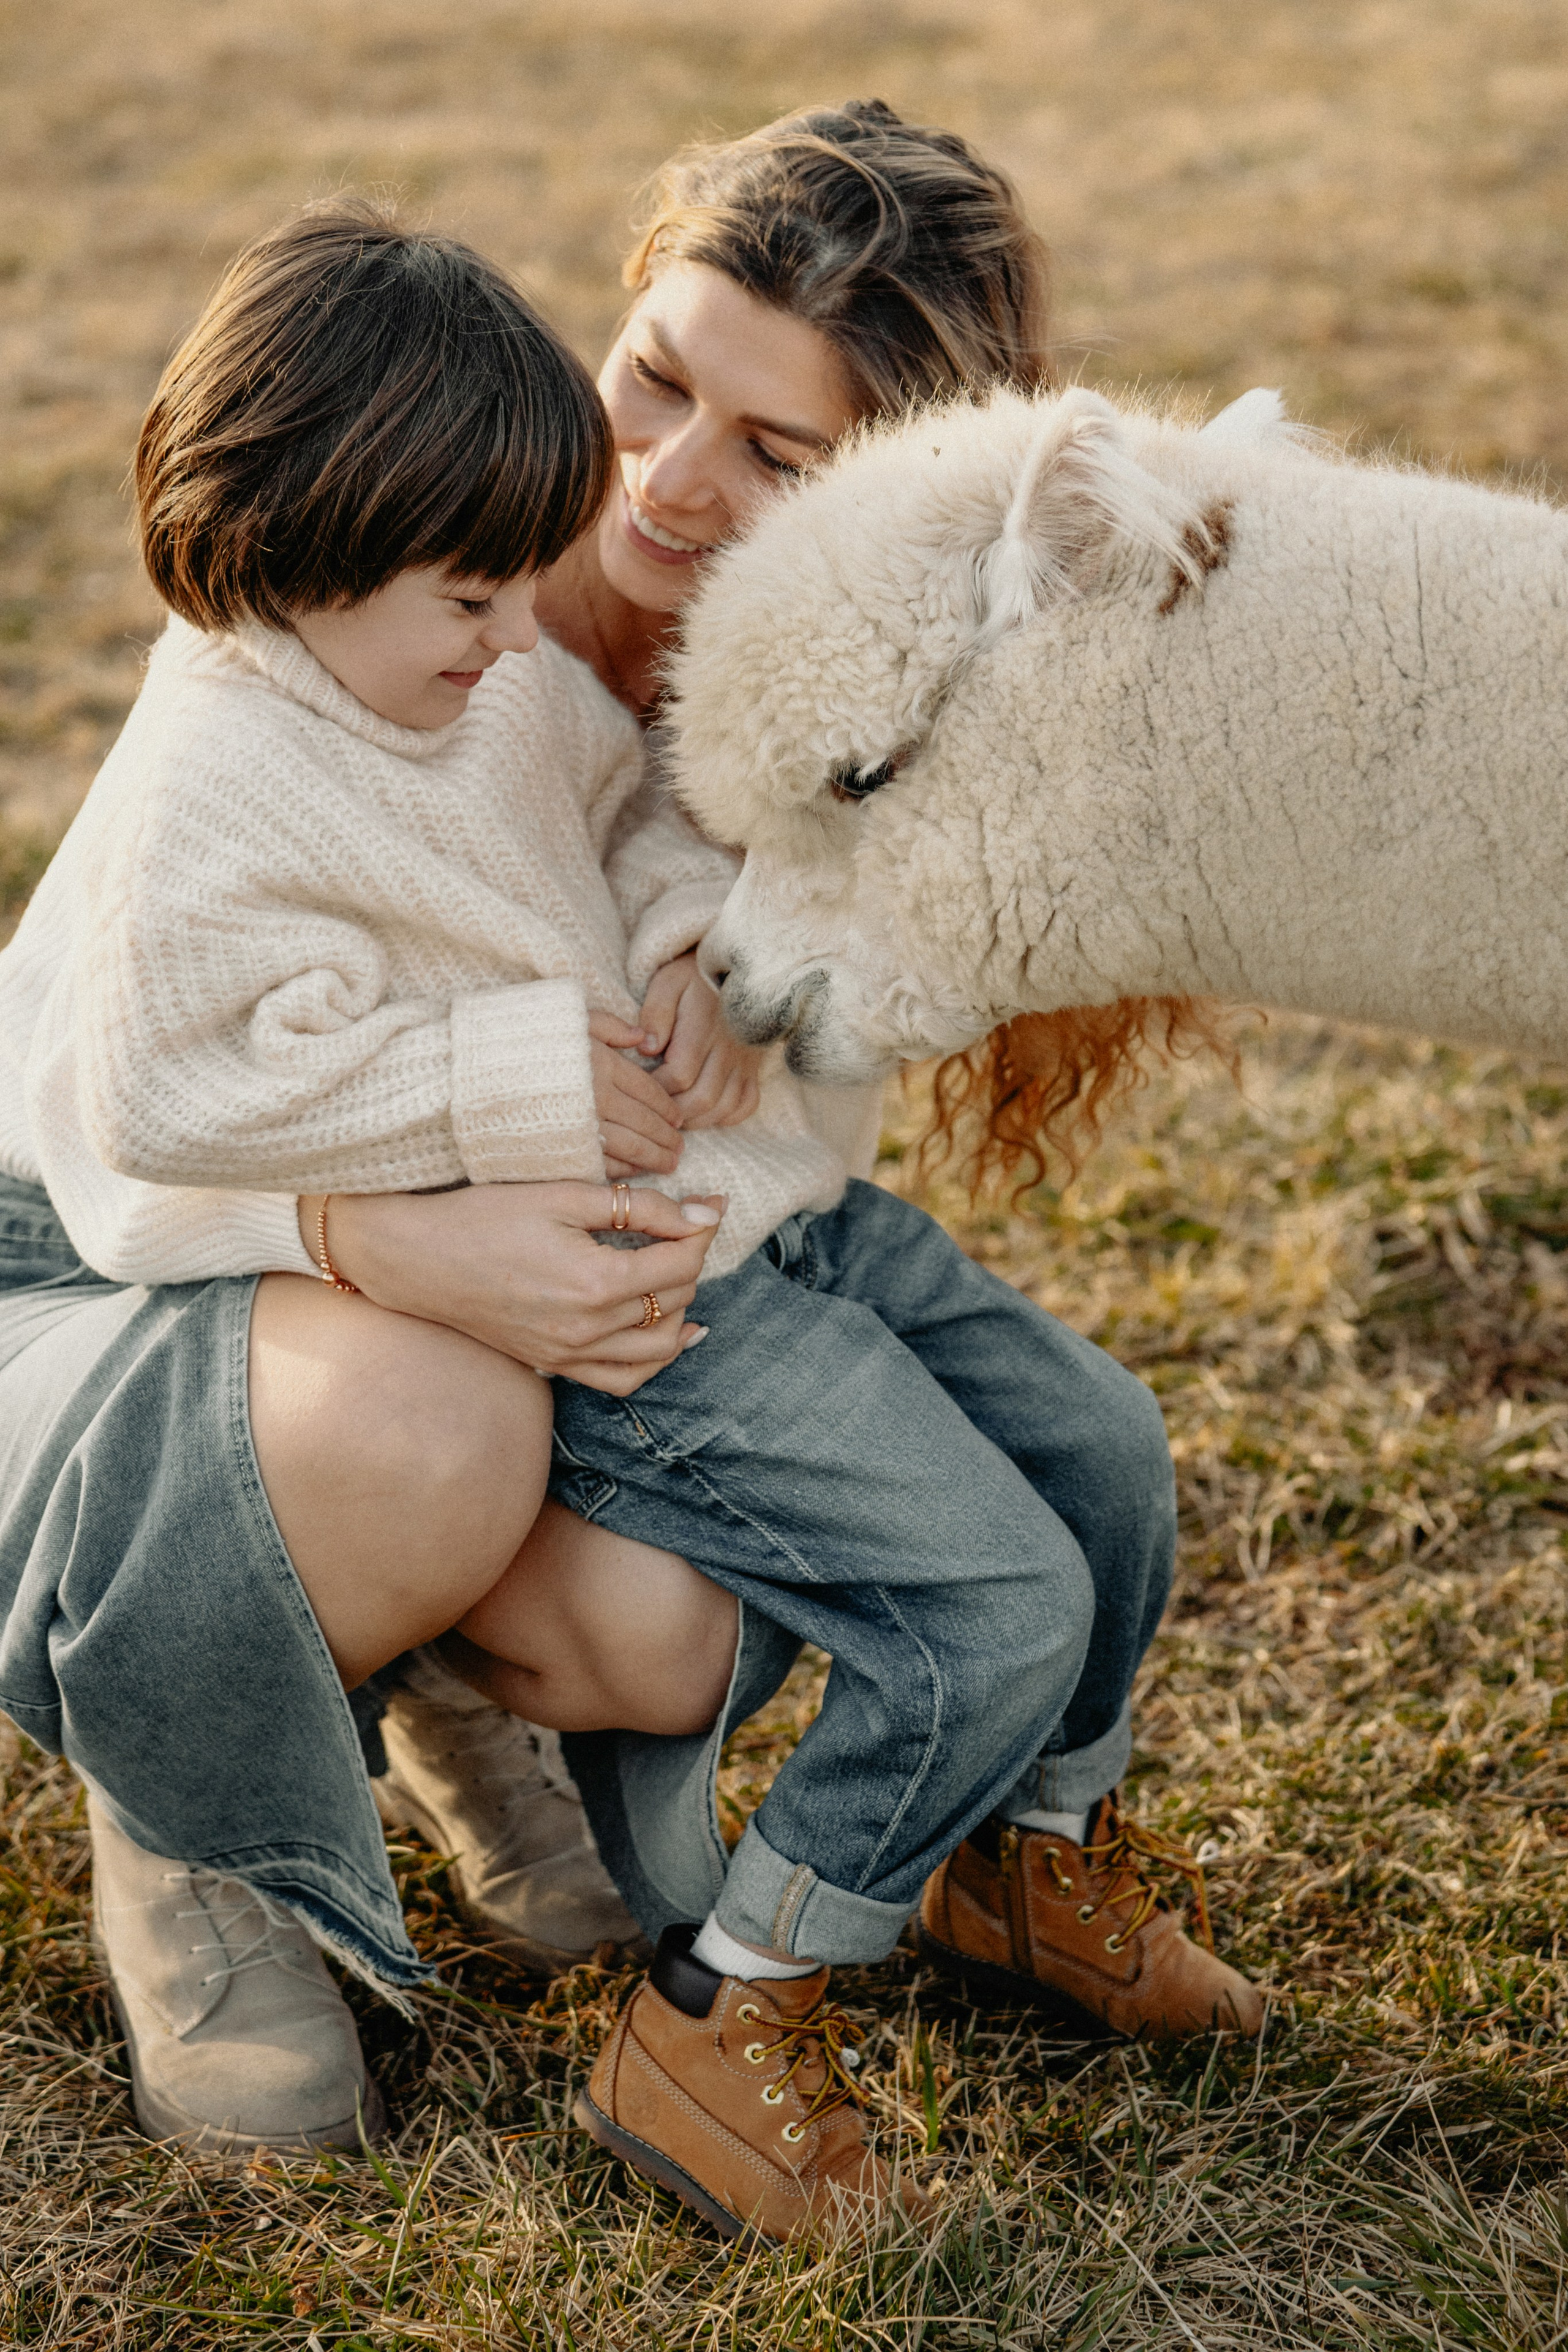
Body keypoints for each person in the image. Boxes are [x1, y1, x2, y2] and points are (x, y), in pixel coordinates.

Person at [0, 111, 1259, 2231]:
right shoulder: (376, 580)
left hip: (598, 1254)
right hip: (115, 1272)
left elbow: (714, 994)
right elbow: (130, 1131)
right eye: (660, 377)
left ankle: (946, 1844)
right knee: (431, 1419)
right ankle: (207, 1780)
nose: (670, 482)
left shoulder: (768, 681)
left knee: (674, 1630)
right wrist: (403, 1237)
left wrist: (701, 957)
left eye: (776, 452)